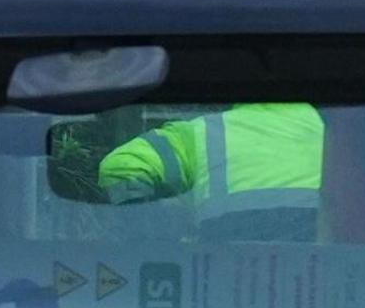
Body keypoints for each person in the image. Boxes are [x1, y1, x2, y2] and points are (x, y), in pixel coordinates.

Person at [87, 101, 326, 241]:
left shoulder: (205, 132)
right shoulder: (337, 133)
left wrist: (151, 230)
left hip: (222, 268)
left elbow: (120, 167)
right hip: (320, 272)